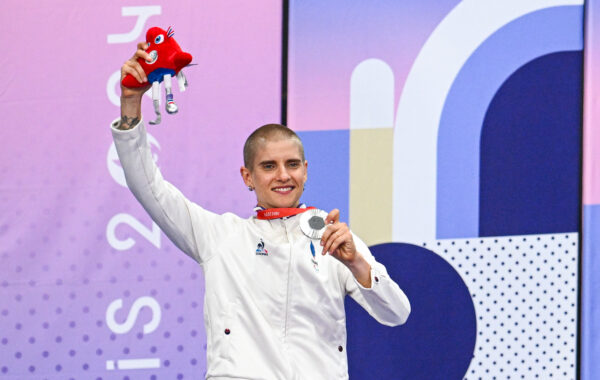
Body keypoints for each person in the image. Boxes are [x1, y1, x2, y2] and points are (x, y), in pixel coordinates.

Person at [111, 42, 411, 380]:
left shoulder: (334, 238)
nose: (283, 175)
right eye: (269, 166)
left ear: (306, 170)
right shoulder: (219, 235)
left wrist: (356, 263)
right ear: (247, 176)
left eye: (292, 164)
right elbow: (147, 186)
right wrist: (131, 102)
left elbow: (397, 313)